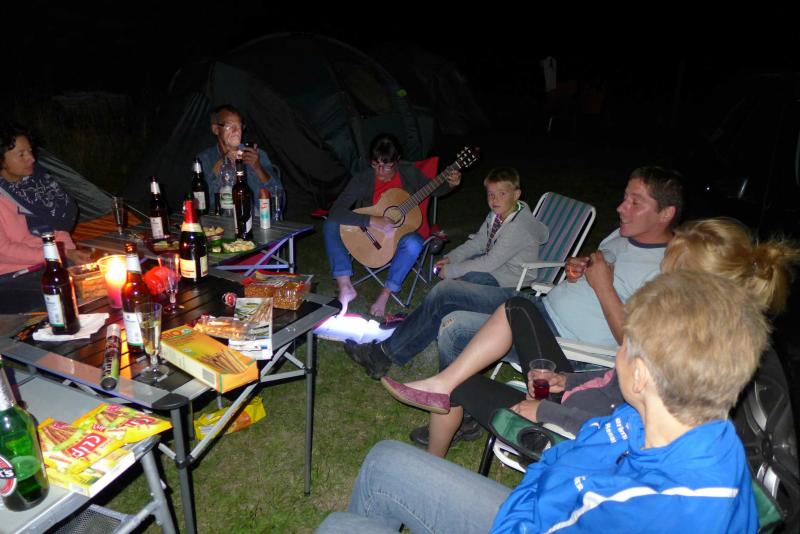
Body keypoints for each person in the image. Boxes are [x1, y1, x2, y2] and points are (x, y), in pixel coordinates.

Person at [318, 271, 766, 533]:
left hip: (527, 519)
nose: (617, 355)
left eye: (625, 346)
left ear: (642, 375)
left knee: (341, 523)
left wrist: (547, 468)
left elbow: (532, 515)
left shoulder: (650, 501)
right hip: (549, 502)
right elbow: (575, 454)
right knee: (384, 459)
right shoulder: (660, 421)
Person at [385, 217, 799, 456]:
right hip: (578, 399)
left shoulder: (678, 354)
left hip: (572, 429)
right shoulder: (699, 338)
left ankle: (432, 455)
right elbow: (614, 384)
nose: (662, 273)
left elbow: (622, 432)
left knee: (461, 385)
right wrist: (568, 380)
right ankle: (441, 393)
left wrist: (545, 413)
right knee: (518, 307)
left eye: (670, 268)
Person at [344, 165, 683, 382]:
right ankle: (383, 355)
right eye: (624, 198)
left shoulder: (670, 269)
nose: (621, 207)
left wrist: (604, 286)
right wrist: (578, 266)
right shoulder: (622, 236)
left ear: (666, 213)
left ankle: (458, 407)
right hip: (539, 306)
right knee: (445, 292)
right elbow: (597, 267)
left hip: (560, 342)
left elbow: (636, 344)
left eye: (635, 202)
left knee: (456, 328)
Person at [325, 133, 461, 318]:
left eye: (386, 166)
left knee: (413, 243)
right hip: (367, 234)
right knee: (331, 224)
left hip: (400, 236)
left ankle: (385, 293)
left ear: (397, 161)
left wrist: (451, 184)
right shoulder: (364, 178)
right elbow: (336, 211)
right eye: (375, 165)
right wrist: (372, 220)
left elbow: (436, 190)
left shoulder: (409, 173)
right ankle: (345, 286)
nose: (380, 172)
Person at [0, 123, 79, 312]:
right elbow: (3, 250)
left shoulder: (37, 183)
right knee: (62, 294)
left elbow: (57, 225)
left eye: (30, 151)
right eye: (21, 154)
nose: (32, 158)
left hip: (43, 264)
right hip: (10, 276)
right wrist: (58, 255)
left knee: (95, 278)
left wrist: (68, 253)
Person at [432, 167, 549, 288]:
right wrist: (452, 258)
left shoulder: (517, 226)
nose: (494, 199)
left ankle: (460, 288)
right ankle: (459, 286)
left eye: (502, 193)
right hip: (496, 264)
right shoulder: (496, 214)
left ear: (516, 195)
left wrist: (452, 271)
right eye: (490, 194)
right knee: (464, 263)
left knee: (471, 277)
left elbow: (489, 263)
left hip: (513, 276)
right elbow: (479, 242)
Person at [196, 104, 283, 212]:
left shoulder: (255, 154)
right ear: (216, 129)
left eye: (239, 126)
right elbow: (202, 205)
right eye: (229, 126)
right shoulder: (204, 159)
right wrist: (220, 168)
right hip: (221, 221)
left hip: (257, 219)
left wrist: (258, 168)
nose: (236, 130)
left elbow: (279, 201)